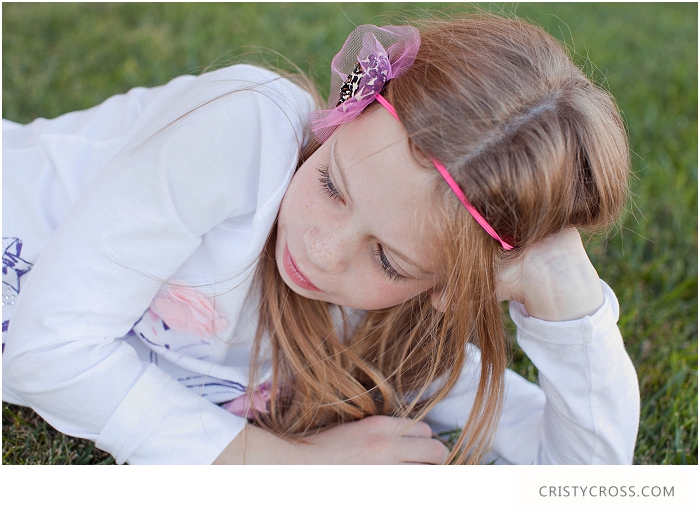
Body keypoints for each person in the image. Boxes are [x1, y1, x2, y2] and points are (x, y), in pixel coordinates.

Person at [2, 15, 640, 465]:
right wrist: (286, 464)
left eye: (388, 258)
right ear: (343, 119)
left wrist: (563, 284)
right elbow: (44, 351)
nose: (321, 250)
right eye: (332, 184)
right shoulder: (242, 133)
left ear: (448, 288)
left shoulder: (403, 335)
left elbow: (584, 480)